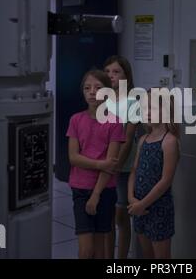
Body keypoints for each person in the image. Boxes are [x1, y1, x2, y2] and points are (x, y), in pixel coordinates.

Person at [66, 70, 125, 259]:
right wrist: (100, 164)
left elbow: (112, 163)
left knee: (100, 248)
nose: (92, 92)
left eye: (98, 88)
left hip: (104, 190)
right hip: (80, 188)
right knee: (86, 249)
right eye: (87, 88)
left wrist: (96, 195)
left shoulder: (115, 123)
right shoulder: (76, 120)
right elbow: (73, 157)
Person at [127, 90, 180, 259]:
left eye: (153, 108)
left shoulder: (169, 141)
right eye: (144, 108)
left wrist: (143, 204)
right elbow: (134, 171)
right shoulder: (143, 139)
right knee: (146, 254)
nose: (147, 112)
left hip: (158, 208)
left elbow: (165, 181)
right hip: (138, 207)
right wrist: (131, 198)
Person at [103, 55, 141, 259]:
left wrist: (115, 166)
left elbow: (127, 139)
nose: (111, 76)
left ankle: (122, 259)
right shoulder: (103, 100)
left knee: (121, 217)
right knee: (107, 216)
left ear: (126, 75)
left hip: (124, 168)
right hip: (103, 166)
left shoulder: (132, 101)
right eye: (108, 72)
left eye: (116, 72)